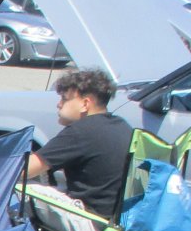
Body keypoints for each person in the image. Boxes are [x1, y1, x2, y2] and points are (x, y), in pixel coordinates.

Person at [25, 68, 133, 218]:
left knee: (21, 190)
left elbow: (24, 170)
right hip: (116, 219)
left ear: (85, 104)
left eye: (64, 98)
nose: (59, 104)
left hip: (92, 221)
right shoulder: (121, 125)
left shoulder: (81, 131)